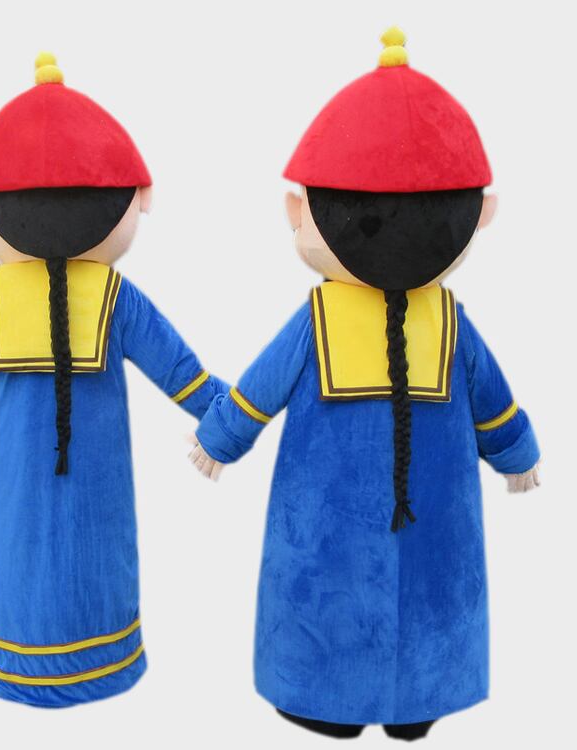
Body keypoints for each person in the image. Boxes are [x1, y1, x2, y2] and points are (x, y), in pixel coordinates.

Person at [189, 28, 540, 741]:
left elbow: (257, 391)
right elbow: (494, 404)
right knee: (425, 595)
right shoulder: (439, 319)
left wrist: (218, 440)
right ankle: (407, 698)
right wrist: (517, 456)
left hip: (326, 519)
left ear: (297, 210)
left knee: (332, 593)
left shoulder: (353, 316)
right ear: (483, 213)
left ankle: (353, 697)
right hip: (427, 516)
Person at [0, 53, 226, 708]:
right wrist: (232, 417)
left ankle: (24, 661)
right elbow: (181, 372)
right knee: (99, 555)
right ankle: (105, 661)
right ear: (139, 198)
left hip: (17, 482)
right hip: (101, 485)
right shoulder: (114, 295)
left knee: (21, 555)